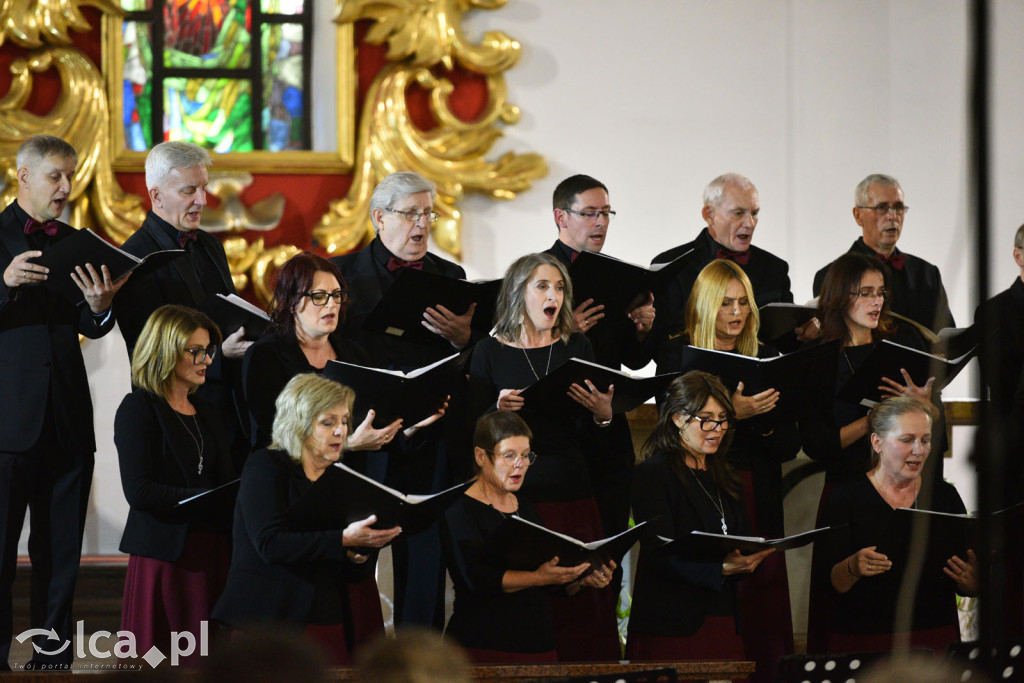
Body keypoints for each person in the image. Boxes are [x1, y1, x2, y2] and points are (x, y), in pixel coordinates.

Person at [0, 135, 127, 670]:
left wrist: (99, 309)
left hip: (68, 422)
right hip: (7, 425)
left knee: (61, 558)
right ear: (23, 175)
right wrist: (3, 283)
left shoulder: (77, 241)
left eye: (71, 176)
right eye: (55, 176)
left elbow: (88, 326)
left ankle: (52, 661)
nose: (66, 187)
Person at [330, 171, 475, 628]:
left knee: (424, 567)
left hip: (427, 440)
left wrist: (463, 339)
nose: (422, 224)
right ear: (379, 218)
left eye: (428, 213)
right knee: (353, 558)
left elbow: (467, 361)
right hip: (363, 439)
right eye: (410, 213)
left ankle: (420, 667)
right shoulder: (341, 274)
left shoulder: (451, 276)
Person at [467, 252, 620, 661]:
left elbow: (593, 433)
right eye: (542, 286)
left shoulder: (578, 345)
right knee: (532, 600)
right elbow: (471, 435)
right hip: (515, 500)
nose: (554, 294)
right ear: (519, 293)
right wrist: (494, 409)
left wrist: (604, 415)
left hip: (571, 489)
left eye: (559, 287)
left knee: (581, 597)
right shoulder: (488, 351)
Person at [654, 260, 799, 680]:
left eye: (742, 303)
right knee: (713, 604)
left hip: (757, 487)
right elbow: (669, 436)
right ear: (703, 306)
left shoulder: (767, 356)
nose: (736, 313)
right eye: (724, 304)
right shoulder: (676, 354)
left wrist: (759, 418)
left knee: (761, 603)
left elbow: (790, 444)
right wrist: (732, 415)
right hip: (698, 491)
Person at [800, 252, 942, 653]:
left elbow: (930, 426)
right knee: (851, 605)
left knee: (906, 594)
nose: (877, 301)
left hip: (902, 488)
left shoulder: (900, 348)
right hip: (846, 491)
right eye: (866, 293)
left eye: (881, 292)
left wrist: (923, 407)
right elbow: (817, 444)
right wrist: (873, 419)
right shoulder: (819, 359)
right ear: (840, 296)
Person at [212, 373, 401, 664]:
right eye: (328, 422)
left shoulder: (341, 477)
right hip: (269, 621)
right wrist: (342, 539)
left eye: (344, 421)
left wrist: (359, 554)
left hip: (328, 617)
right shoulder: (266, 466)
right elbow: (270, 544)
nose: (341, 431)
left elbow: (349, 567)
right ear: (298, 423)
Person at [116, 141, 252, 469]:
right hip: (174, 419)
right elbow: (149, 355)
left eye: (204, 188)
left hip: (224, 409)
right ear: (157, 195)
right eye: (189, 190)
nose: (203, 200)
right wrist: (219, 356)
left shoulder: (209, 244)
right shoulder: (136, 258)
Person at [114, 305, 236, 666]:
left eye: (209, 350)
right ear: (166, 350)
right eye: (195, 351)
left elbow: (225, 482)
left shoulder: (208, 411)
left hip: (212, 553)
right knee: (162, 662)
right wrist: (204, 498)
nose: (206, 360)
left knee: (207, 663)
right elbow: (139, 491)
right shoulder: (139, 408)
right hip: (165, 557)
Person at [441, 411, 614, 663]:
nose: (520, 464)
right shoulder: (458, 507)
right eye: (509, 455)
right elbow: (475, 579)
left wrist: (579, 579)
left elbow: (546, 577)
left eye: (525, 455)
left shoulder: (525, 504)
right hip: (485, 644)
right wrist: (537, 577)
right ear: (481, 456)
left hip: (537, 644)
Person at [627, 371, 772, 661]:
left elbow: (740, 536)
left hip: (723, 615)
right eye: (705, 418)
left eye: (722, 419)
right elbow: (659, 556)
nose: (717, 428)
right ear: (677, 418)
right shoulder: (653, 474)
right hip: (672, 623)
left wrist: (751, 555)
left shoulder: (726, 474)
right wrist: (719, 569)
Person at [542, 174, 655, 549]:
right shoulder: (535, 275)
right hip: (556, 433)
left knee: (611, 544)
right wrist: (563, 330)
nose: (601, 222)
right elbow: (514, 353)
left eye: (606, 213)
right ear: (561, 216)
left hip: (607, 429)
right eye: (590, 213)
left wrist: (642, 328)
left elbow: (633, 361)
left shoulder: (616, 274)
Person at [820, 397, 976, 653]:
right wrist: (853, 565)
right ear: (877, 442)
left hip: (935, 634)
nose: (919, 450)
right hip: (865, 639)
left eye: (925, 440)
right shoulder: (846, 497)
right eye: (907, 440)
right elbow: (833, 584)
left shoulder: (945, 496)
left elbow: (967, 576)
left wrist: (972, 583)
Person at [650, 173, 794, 352]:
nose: (750, 223)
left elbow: (789, 342)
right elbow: (660, 342)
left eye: (754, 213)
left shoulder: (775, 269)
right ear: (709, 214)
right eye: (738, 213)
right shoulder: (670, 265)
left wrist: (810, 331)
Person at [812, 173, 955, 333]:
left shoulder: (927, 274)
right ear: (858, 216)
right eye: (882, 208)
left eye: (899, 208)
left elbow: (945, 335)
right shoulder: (830, 276)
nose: (892, 216)